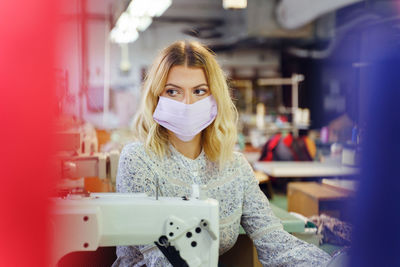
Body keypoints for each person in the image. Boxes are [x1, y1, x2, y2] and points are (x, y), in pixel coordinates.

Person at [112, 40, 331, 267]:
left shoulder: (235, 167)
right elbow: (160, 257)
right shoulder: (138, 160)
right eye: (173, 91)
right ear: (156, 97)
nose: (187, 103)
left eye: (199, 91)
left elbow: (275, 243)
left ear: (215, 97)